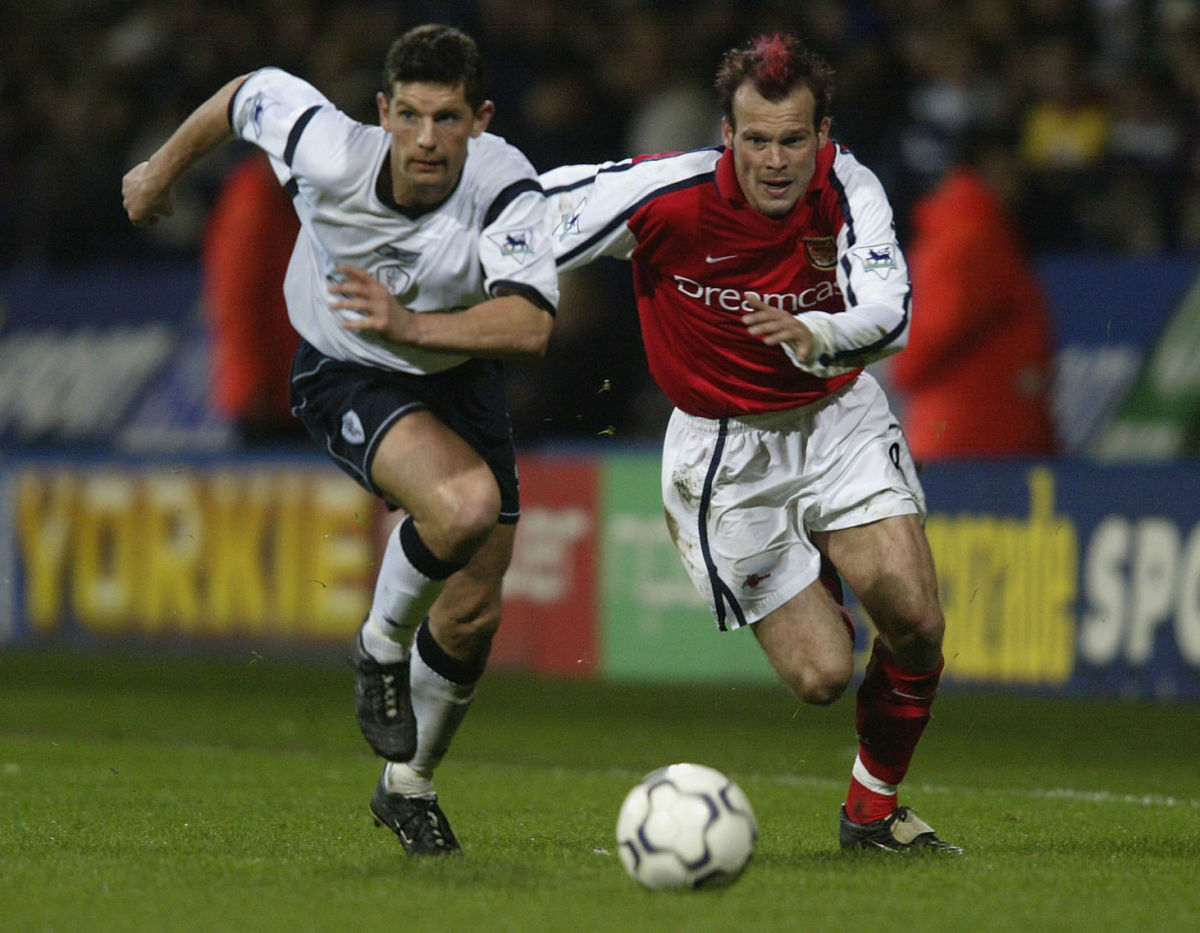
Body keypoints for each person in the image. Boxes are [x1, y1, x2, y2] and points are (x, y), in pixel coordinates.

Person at [123, 24, 558, 857]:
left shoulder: (507, 185)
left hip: (455, 371)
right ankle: (378, 645)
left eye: (449, 118)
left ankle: (408, 786)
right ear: (383, 112)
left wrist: (414, 325)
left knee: (474, 611)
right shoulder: (328, 153)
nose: (427, 139)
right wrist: (159, 170)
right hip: (345, 365)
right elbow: (245, 93)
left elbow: (530, 324)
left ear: (481, 121)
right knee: (464, 504)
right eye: (412, 116)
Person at [542, 33, 960, 853]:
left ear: (822, 134)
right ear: (726, 134)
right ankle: (821, 568)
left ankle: (872, 813)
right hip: (724, 453)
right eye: (757, 140)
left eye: (793, 140)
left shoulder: (849, 187)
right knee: (822, 675)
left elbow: (892, 313)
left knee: (915, 621)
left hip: (836, 420)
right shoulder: (664, 194)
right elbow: (532, 210)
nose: (775, 161)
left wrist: (818, 333)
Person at [891, 136, 1058, 459]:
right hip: (974, 433)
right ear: (990, 168)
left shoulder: (980, 226)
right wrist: (905, 369)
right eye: (1011, 168)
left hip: (983, 427)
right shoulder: (970, 233)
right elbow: (940, 325)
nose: (1020, 179)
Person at [202, 148, 304, 445]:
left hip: (299, 387)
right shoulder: (251, 204)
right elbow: (237, 303)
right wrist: (252, 388)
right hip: (271, 401)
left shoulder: (287, 199)